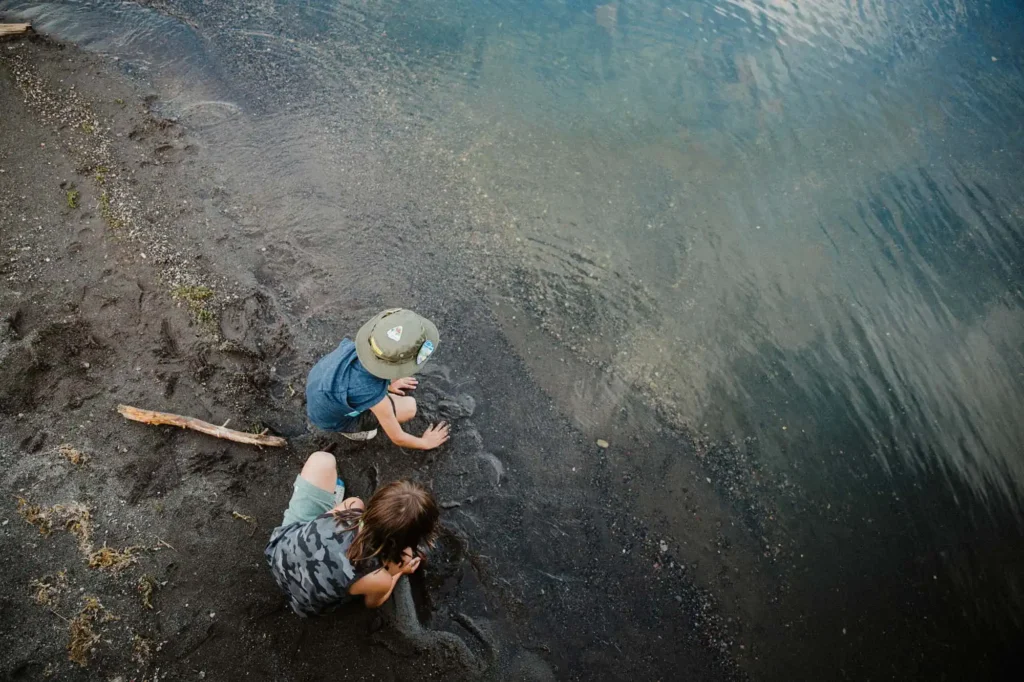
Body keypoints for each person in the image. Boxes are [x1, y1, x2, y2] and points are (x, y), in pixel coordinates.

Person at [265, 450, 440, 616]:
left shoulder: (351, 508)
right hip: (303, 603)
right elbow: (373, 603)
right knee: (368, 580)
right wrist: (400, 572)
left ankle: (331, 498)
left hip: (278, 552)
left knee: (323, 460)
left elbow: (324, 522)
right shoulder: (378, 577)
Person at [306, 308, 449, 449]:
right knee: (409, 407)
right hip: (336, 421)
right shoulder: (371, 391)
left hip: (321, 389)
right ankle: (353, 432)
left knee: (370, 396)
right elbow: (398, 437)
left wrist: (388, 384)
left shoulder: (357, 348)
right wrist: (425, 443)